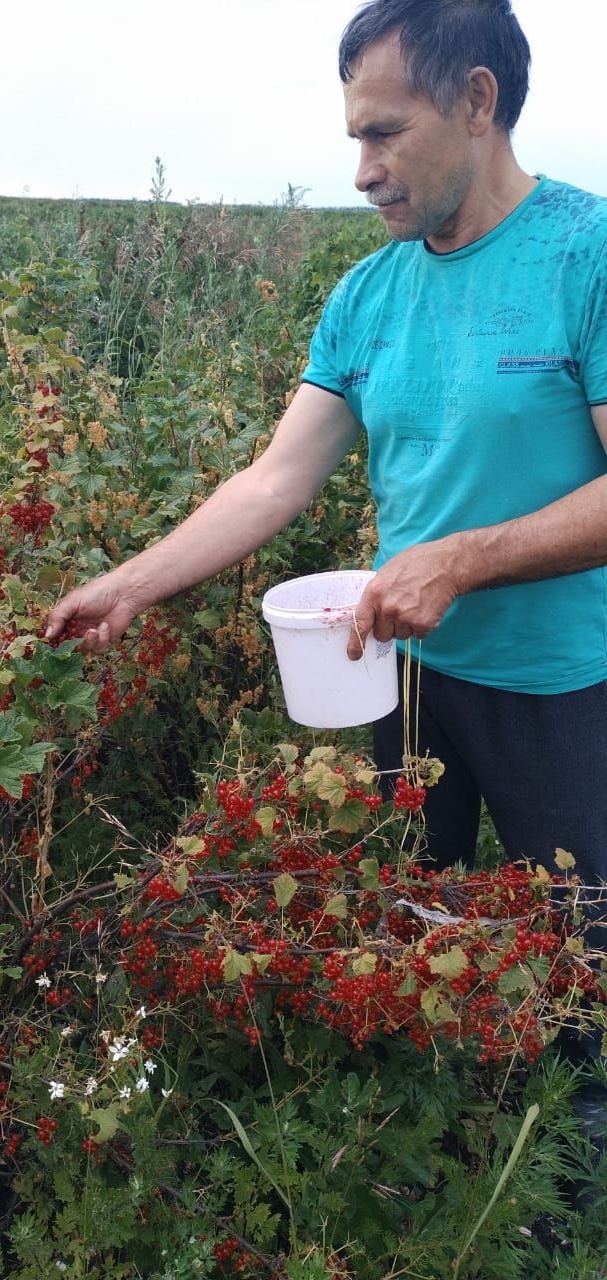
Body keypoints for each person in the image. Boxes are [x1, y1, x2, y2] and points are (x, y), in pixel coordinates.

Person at [46, 0, 607, 891]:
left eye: (385, 134)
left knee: (578, 953)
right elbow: (274, 481)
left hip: (562, 688)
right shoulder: (367, 294)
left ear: (477, 100)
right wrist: (128, 587)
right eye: (356, 138)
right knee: (416, 929)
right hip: (404, 677)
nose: (363, 172)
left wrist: (459, 562)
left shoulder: (588, 254)